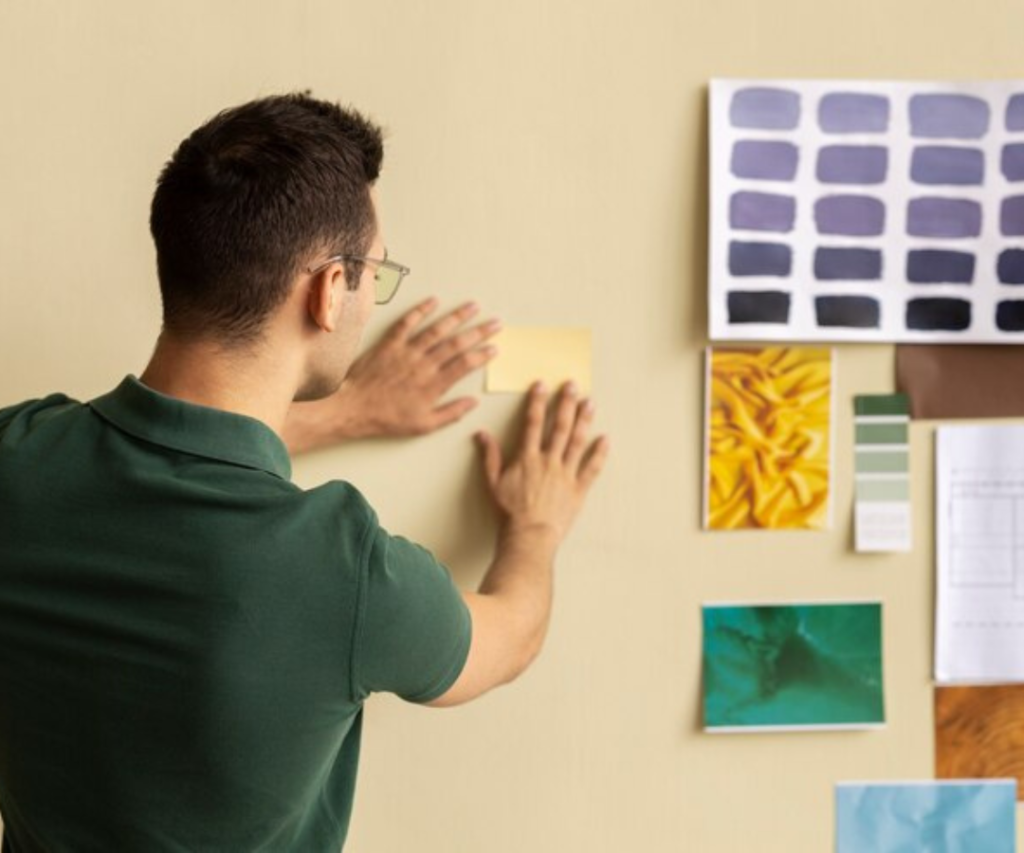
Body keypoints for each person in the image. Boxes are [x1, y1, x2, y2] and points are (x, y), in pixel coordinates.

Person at [0, 93, 608, 852]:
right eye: (373, 274)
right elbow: (508, 639)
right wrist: (537, 527)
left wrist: (350, 412)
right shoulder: (346, 568)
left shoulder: (16, 457)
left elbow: (170, 452)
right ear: (327, 291)